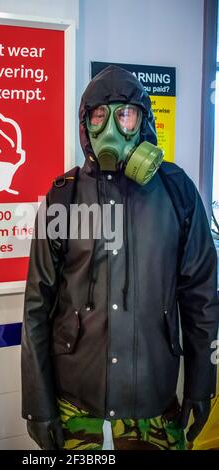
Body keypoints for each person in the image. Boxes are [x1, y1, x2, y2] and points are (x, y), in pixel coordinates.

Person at [21, 65, 219, 450]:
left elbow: (202, 300)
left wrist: (202, 385)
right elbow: (36, 308)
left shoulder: (177, 192)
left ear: (143, 123)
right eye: (100, 115)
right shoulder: (64, 198)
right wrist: (37, 404)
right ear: (87, 126)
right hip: (75, 399)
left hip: (154, 399)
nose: (113, 127)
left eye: (126, 114)